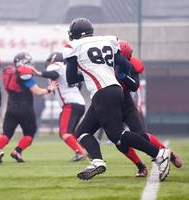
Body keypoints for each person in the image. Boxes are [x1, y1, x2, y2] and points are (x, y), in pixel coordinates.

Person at [63, 18, 171, 181]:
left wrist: (86, 73)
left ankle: (159, 155)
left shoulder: (74, 46)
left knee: (116, 135)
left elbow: (70, 78)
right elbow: (125, 65)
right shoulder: (108, 40)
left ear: (75, 34)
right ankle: (97, 161)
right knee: (82, 132)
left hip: (102, 92)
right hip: (114, 89)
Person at [113, 40, 182, 176]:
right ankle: (140, 166)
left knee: (141, 135)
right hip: (112, 106)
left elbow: (134, 86)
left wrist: (123, 76)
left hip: (126, 104)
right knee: (118, 141)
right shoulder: (105, 64)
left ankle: (168, 153)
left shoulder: (132, 66)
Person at [0, 52, 57, 163]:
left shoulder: (8, 72)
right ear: (25, 62)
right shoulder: (25, 73)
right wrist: (50, 88)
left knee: (6, 134)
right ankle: (17, 151)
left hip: (10, 107)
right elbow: (37, 92)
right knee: (29, 133)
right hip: (25, 108)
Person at [33, 52, 86, 161]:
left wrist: (39, 73)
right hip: (80, 103)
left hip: (70, 104)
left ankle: (80, 152)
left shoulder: (56, 66)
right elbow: (79, 84)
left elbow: (54, 74)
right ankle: (86, 150)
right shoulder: (69, 67)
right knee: (71, 132)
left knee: (64, 132)